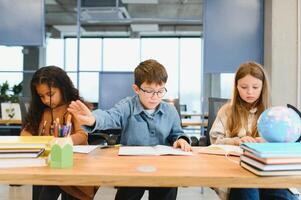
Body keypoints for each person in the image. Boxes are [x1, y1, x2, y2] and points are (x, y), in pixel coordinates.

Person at [68, 59, 192, 200]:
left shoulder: (170, 110)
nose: (155, 97)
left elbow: (177, 133)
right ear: (136, 89)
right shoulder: (127, 106)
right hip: (131, 166)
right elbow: (109, 116)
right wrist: (93, 119)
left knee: (167, 191)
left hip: (163, 167)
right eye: (149, 91)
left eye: (160, 91)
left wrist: (181, 140)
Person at [209, 61, 298, 200]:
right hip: (238, 169)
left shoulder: (273, 113)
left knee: (285, 196)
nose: (249, 92)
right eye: (244, 87)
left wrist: (267, 141)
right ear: (236, 87)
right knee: (248, 192)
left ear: (263, 87)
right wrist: (236, 141)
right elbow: (214, 141)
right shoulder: (227, 111)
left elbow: (286, 143)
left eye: (255, 87)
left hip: (270, 171)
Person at [21, 66, 97, 200]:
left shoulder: (74, 108)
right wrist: (35, 141)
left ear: (63, 88)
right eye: (41, 96)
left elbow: (82, 135)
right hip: (47, 165)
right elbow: (25, 133)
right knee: (42, 190)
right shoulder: (41, 111)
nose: (45, 100)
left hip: (72, 165)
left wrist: (60, 142)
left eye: (50, 94)